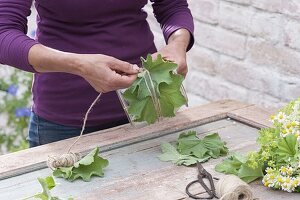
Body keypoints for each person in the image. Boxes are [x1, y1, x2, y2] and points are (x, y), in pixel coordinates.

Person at [0, 0, 194, 147]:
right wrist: (79, 65)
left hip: (149, 105)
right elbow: (3, 33)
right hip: (67, 123)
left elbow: (172, 6)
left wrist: (177, 43)